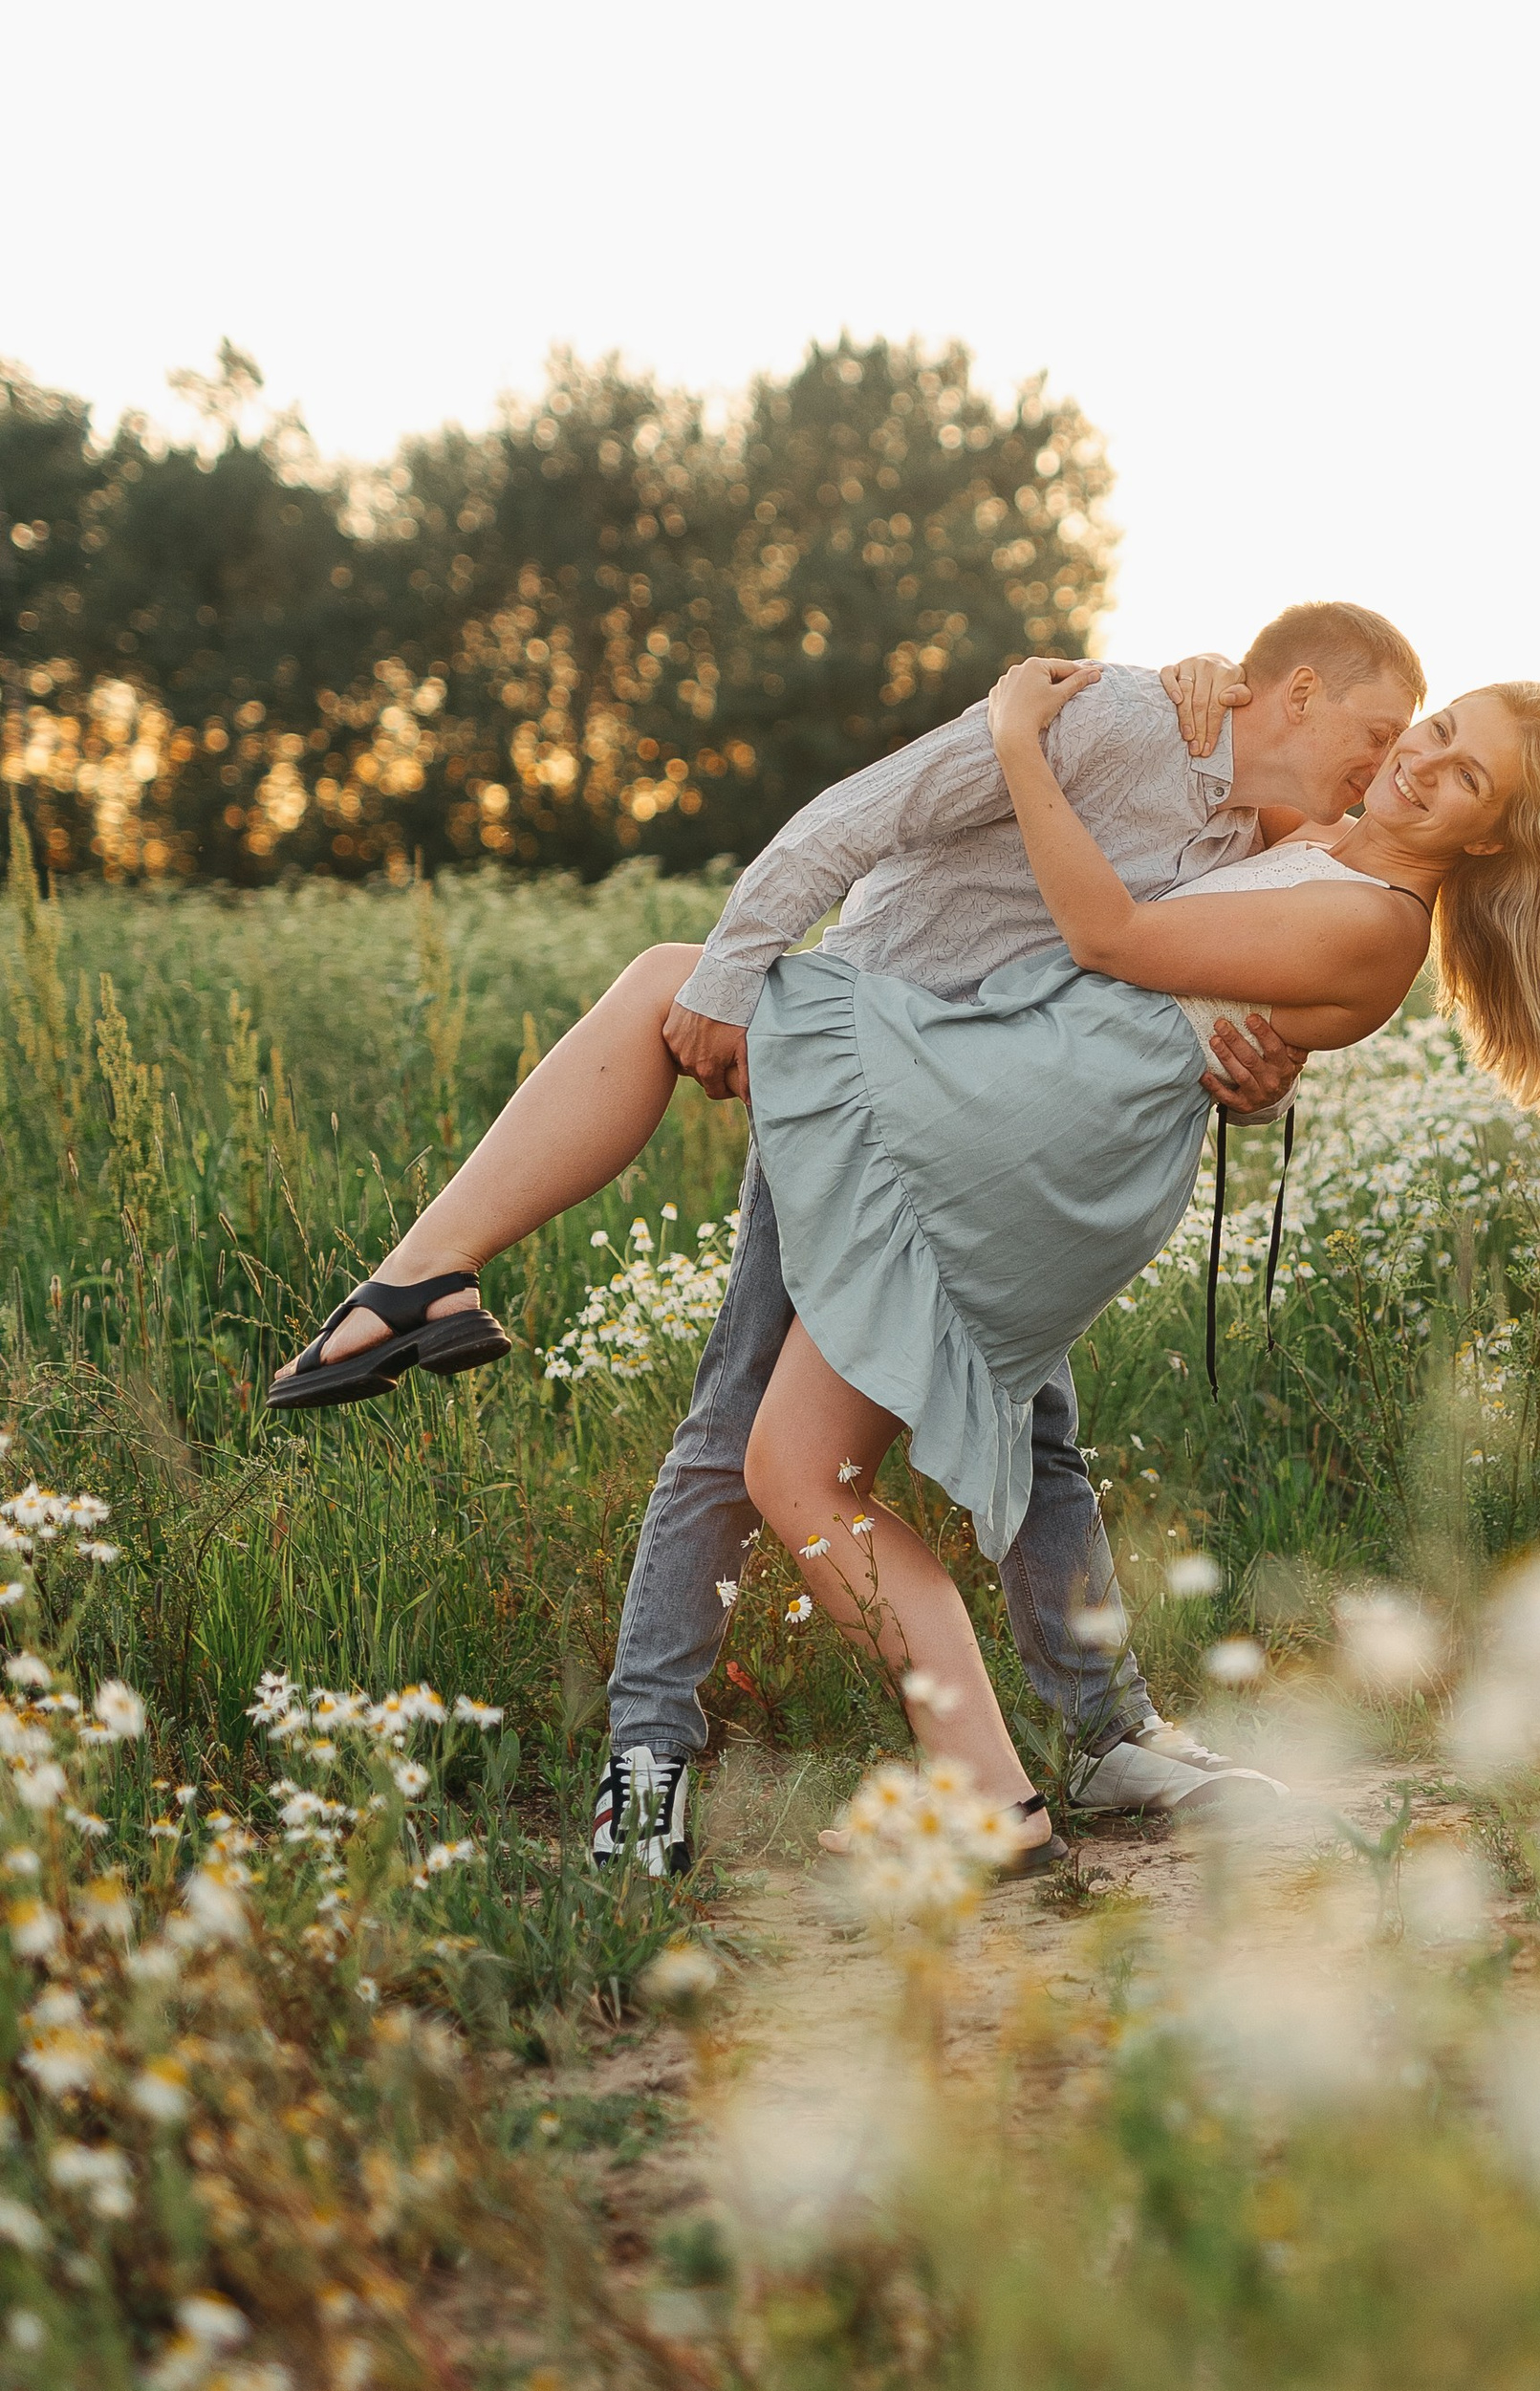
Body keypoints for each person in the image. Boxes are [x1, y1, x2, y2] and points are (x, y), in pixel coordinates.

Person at [271, 605, 1428, 1872]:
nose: (1383, 764)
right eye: (1377, 733)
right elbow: (852, 819)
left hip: (995, 1120)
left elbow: (1237, 963)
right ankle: (647, 1769)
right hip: (872, 1083)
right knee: (740, 1427)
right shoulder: (1116, 718)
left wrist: (1271, 1074)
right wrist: (727, 975)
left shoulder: (1246, 815)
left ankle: (1104, 1735)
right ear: (1303, 692)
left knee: (1032, 1428)